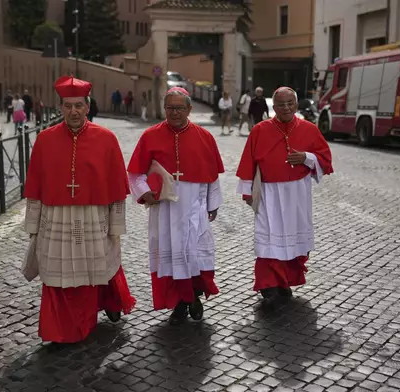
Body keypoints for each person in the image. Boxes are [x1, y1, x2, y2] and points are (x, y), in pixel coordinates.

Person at [24, 75, 136, 343]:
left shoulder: (106, 139)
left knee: (94, 269)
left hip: (93, 217)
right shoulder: (44, 139)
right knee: (56, 275)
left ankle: (90, 318)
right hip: (56, 219)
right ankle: (59, 328)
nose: (73, 111)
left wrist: (116, 227)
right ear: (60, 108)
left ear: (87, 106)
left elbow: (117, 186)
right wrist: (32, 227)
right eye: (67, 106)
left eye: (78, 105)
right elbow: (35, 186)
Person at [127, 87, 224, 325]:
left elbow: (212, 175)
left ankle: (195, 296)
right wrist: (145, 193)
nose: (175, 112)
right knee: (170, 256)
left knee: (194, 253)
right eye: (170, 108)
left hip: (194, 206)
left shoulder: (204, 136)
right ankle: (179, 301)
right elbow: (135, 174)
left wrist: (213, 204)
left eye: (180, 108)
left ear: (189, 109)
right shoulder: (150, 135)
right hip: (164, 210)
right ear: (165, 109)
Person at [235, 87, 333, 309]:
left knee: (293, 240)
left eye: (290, 103)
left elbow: (325, 159)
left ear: (296, 105)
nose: (286, 108)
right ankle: (268, 284)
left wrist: (307, 158)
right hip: (269, 193)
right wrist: (247, 191)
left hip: (298, 193)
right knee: (269, 238)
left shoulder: (310, 129)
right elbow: (248, 162)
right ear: (274, 107)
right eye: (281, 104)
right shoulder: (260, 130)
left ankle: (284, 281)